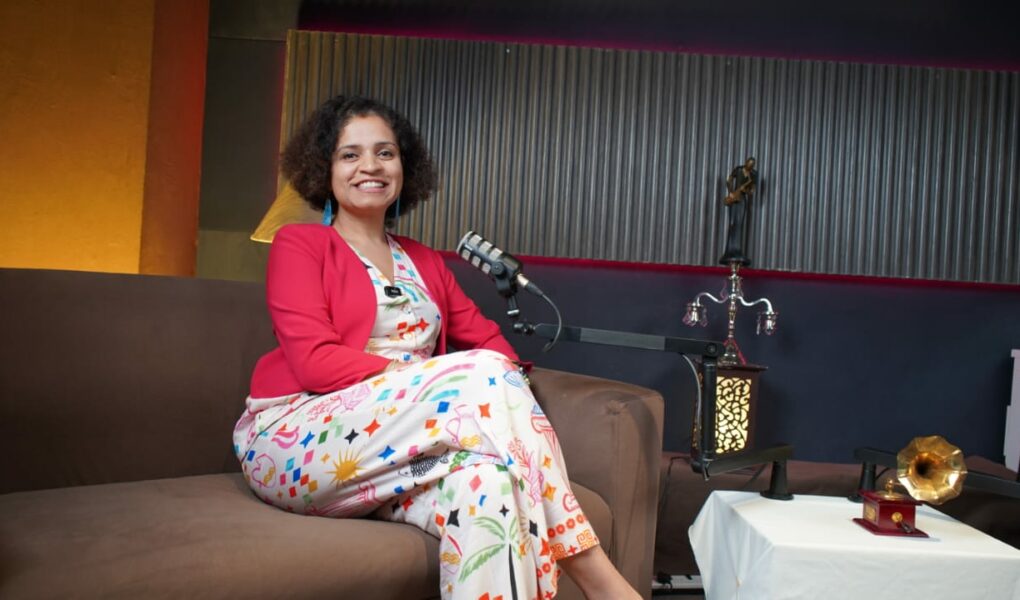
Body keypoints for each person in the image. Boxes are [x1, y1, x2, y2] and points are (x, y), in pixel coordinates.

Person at [232, 95, 640, 600]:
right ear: (324, 170)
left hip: (399, 452)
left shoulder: (424, 261)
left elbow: (492, 345)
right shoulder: (300, 245)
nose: (370, 166)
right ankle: (598, 578)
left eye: (385, 153)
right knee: (483, 372)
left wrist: (484, 393)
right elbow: (315, 363)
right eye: (350, 154)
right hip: (300, 441)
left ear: (404, 167)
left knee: (489, 484)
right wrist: (436, 382)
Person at [719, 156, 758, 266]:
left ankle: (737, 250)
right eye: (748, 164)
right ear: (746, 162)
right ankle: (729, 250)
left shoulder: (753, 174)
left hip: (742, 199)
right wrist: (731, 191)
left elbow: (752, 191)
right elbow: (729, 179)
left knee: (739, 224)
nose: (749, 166)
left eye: (751, 165)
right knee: (732, 223)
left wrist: (746, 190)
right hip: (734, 197)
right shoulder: (739, 169)